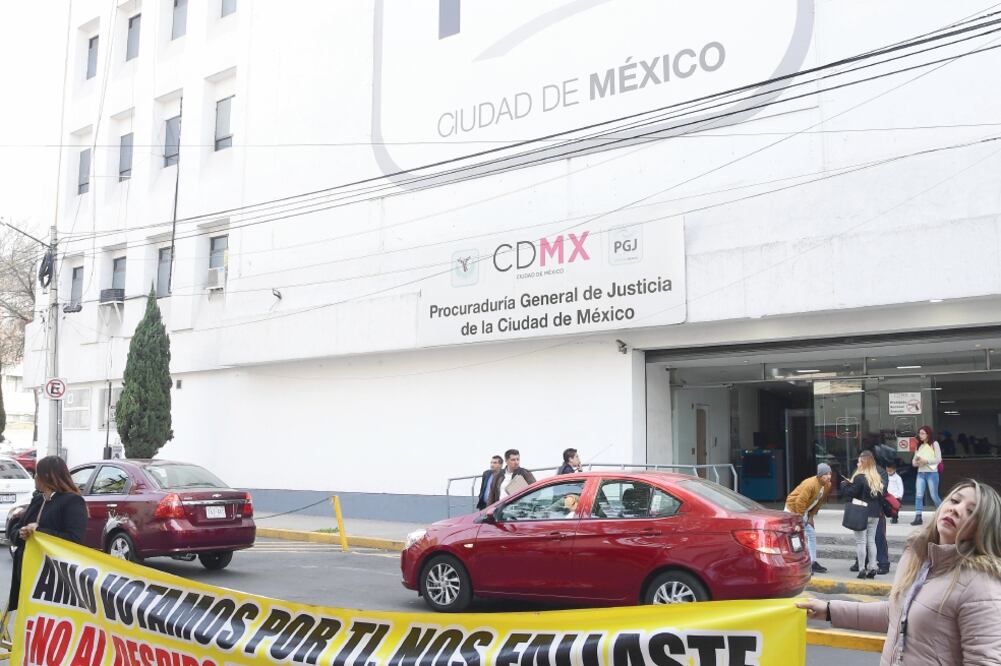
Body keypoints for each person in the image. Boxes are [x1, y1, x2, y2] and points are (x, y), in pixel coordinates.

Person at [798, 479, 1001, 665]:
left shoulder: (981, 584)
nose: (956, 510)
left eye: (971, 511)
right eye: (955, 501)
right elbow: (896, 613)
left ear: (982, 529)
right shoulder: (916, 556)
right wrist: (829, 610)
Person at [7, 456, 87, 615]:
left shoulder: (73, 502)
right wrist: (21, 533)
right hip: (27, 572)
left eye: (37, 473)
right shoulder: (38, 499)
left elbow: (75, 539)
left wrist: (39, 531)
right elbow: (15, 529)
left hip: (51, 577)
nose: (35, 477)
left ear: (48, 476)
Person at [841, 450, 886, 579]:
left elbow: (851, 493)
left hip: (862, 512)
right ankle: (872, 567)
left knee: (861, 541)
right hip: (875, 513)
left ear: (864, 463)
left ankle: (861, 569)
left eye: (859, 461)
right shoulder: (877, 478)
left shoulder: (860, 477)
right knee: (871, 541)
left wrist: (844, 484)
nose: (857, 463)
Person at [784, 463, 832, 574]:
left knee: (811, 534)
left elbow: (820, 502)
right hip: (793, 509)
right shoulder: (810, 484)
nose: (829, 476)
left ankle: (812, 562)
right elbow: (799, 502)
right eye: (826, 474)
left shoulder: (827, 485)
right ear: (820, 475)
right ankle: (793, 563)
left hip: (804, 510)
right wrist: (799, 520)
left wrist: (811, 516)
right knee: (793, 536)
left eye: (830, 473)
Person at [911, 426, 942, 526]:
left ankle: (942, 513)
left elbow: (938, 459)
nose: (920, 435)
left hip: (932, 473)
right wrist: (917, 462)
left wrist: (926, 461)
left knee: (934, 495)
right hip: (921, 473)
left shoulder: (934, 444)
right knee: (919, 495)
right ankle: (918, 516)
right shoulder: (919, 446)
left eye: (922, 433)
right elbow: (913, 462)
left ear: (928, 434)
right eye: (919, 433)